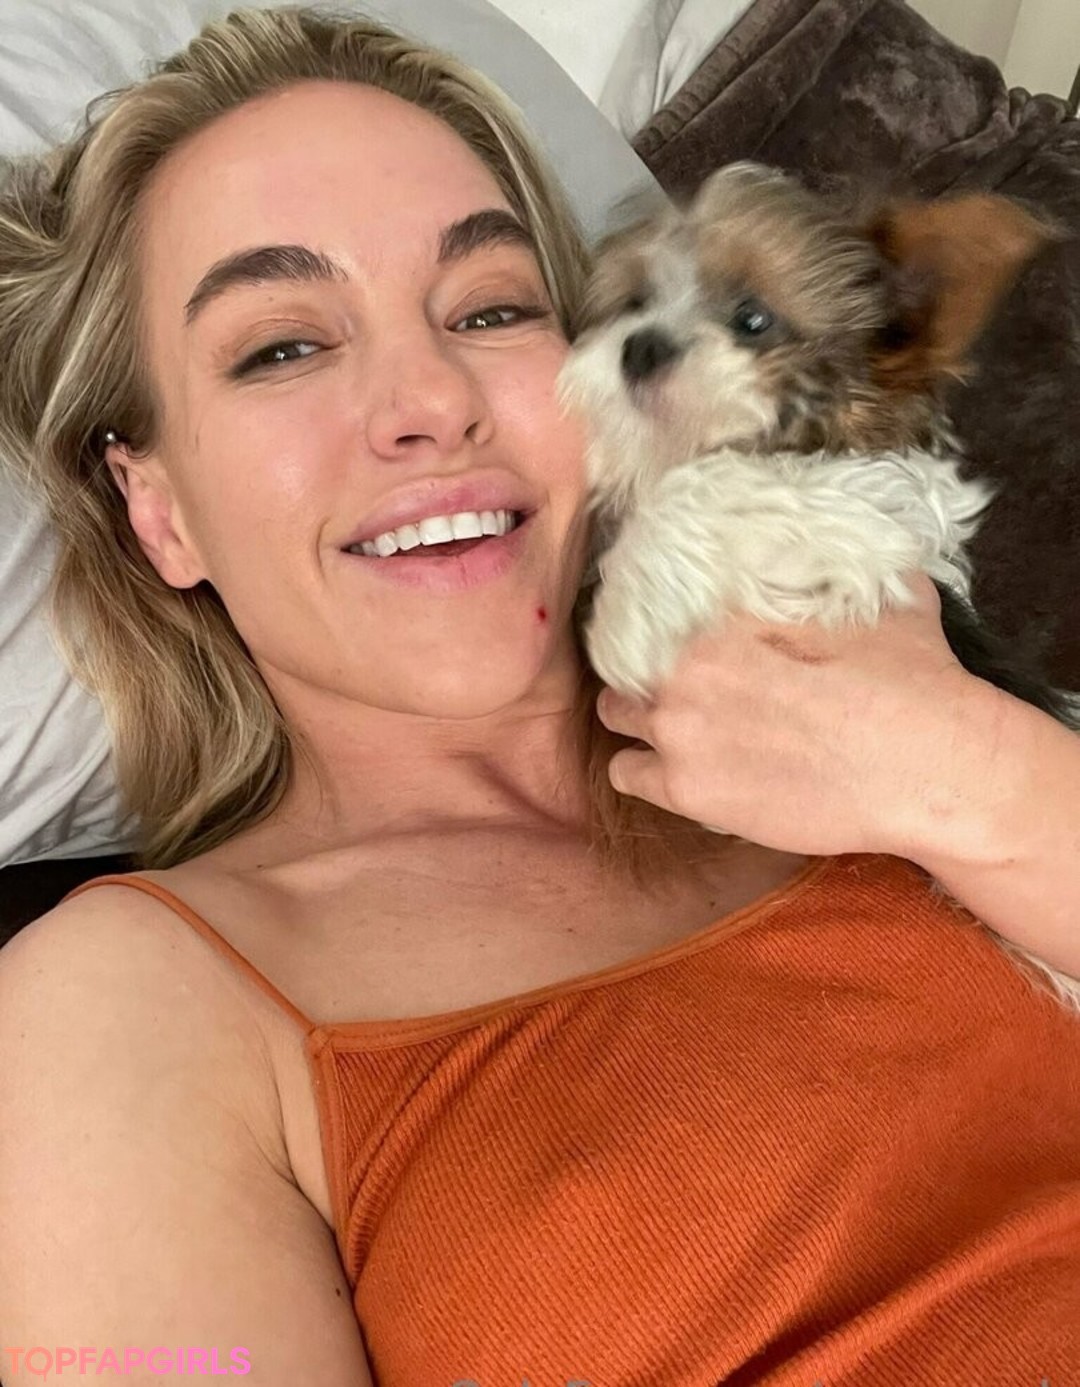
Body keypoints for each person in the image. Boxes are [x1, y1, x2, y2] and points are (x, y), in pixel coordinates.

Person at [0, 8, 1078, 1384]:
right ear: (157, 510)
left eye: (491, 309)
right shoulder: (122, 1008)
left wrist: (983, 781)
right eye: (281, 348)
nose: (430, 397)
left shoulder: (897, 677)